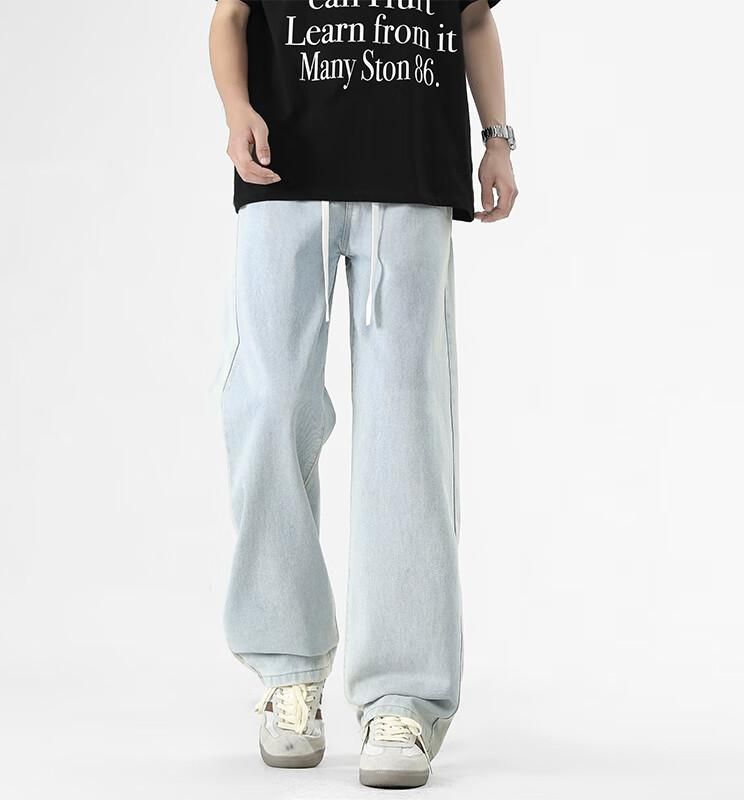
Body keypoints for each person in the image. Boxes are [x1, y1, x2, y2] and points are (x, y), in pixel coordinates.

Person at [209, 0, 517, 788]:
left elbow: (473, 20)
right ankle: (287, 668)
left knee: (406, 431)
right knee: (268, 408)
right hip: (283, 171)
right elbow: (232, 13)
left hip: (408, 175)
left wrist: (497, 138)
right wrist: (237, 107)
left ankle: (403, 696)